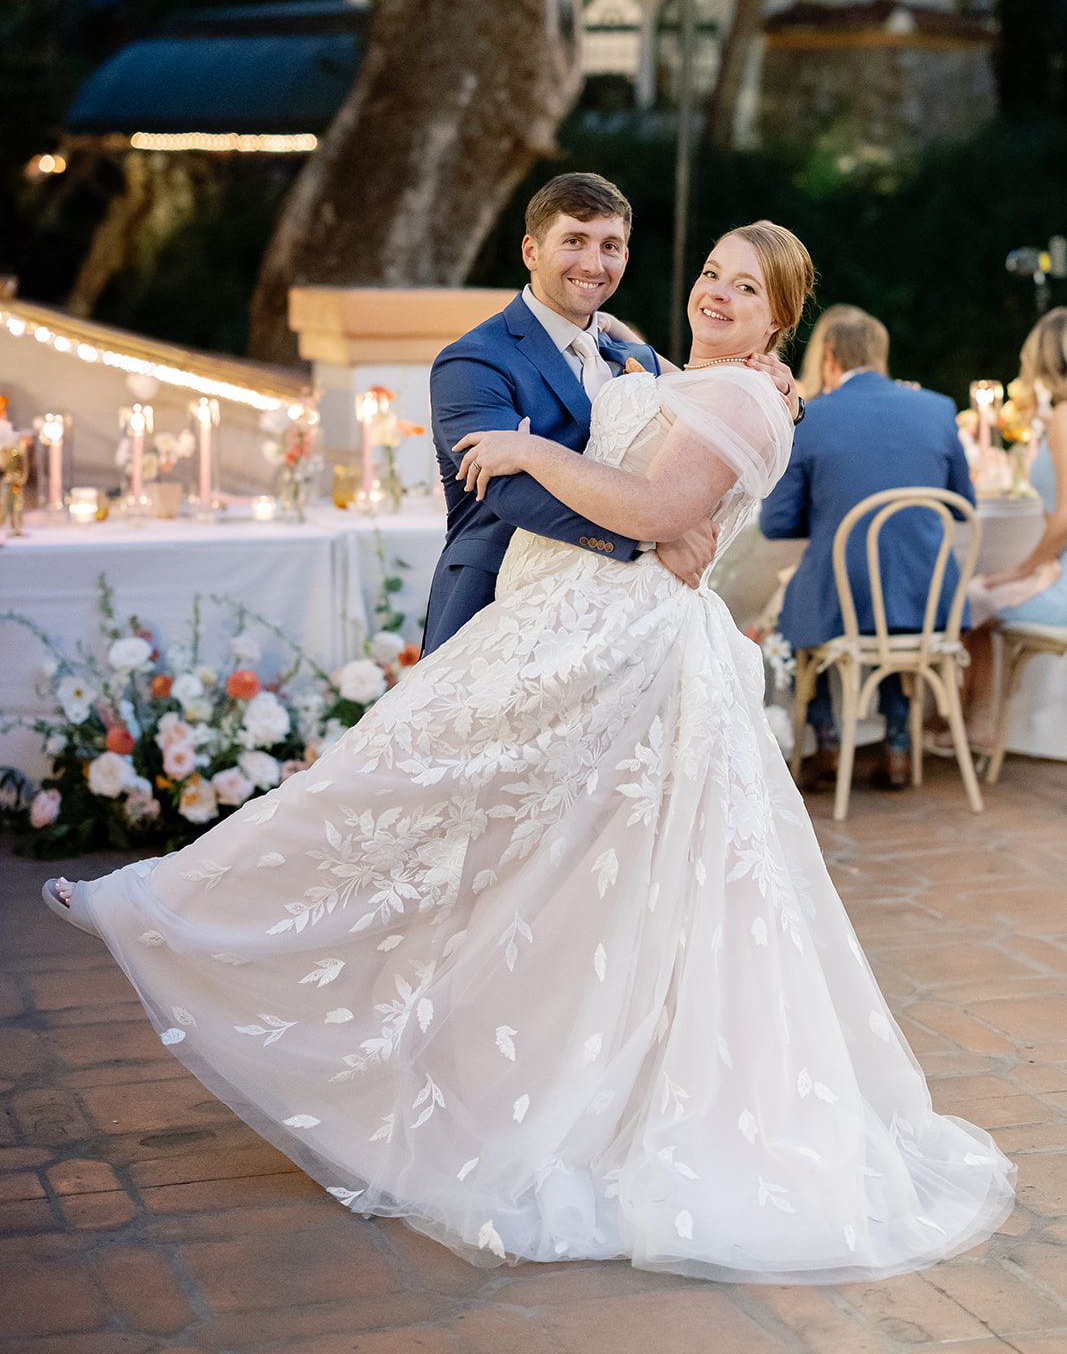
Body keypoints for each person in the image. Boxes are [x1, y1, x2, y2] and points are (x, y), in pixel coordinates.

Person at [43, 225, 1013, 1284]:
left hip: (617, 644)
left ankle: (179, 912)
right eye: (709, 275)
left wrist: (531, 448)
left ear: (780, 318)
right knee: (540, 863)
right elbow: (638, 420)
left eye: (746, 288)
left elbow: (652, 510)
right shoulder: (676, 370)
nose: (717, 295)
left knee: (421, 801)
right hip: (584, 633)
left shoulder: (737, 394)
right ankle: (214, 925)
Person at [423, 171, 799, 652]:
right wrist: (652, 534)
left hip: (613, 623)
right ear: (531, 252)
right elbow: (509, 490)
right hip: (496, 601)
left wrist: (788, 396)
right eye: (574, 240)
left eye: (610, 245)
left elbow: (714, 411)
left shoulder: (629, 354)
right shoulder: (474, 360)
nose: (593, 262)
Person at [760, 306, 975, 790]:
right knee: (889, 603)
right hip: (928, 596)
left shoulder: (810, 416)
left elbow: (774, 524)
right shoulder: (939, 408)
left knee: (789, 606)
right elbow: (962, 506)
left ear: (830, 357)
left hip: (844, 593)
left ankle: (827, 744)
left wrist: (832, 515)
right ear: (881, 355)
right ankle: (898, 746)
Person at [956, 307, 1067, 743]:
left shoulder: (1062, 417)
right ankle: (977, 722)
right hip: (1058, 570)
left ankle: (973, 723)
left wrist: (1023, 570)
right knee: (982, 593)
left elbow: (1065, 519)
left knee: (972, 599)